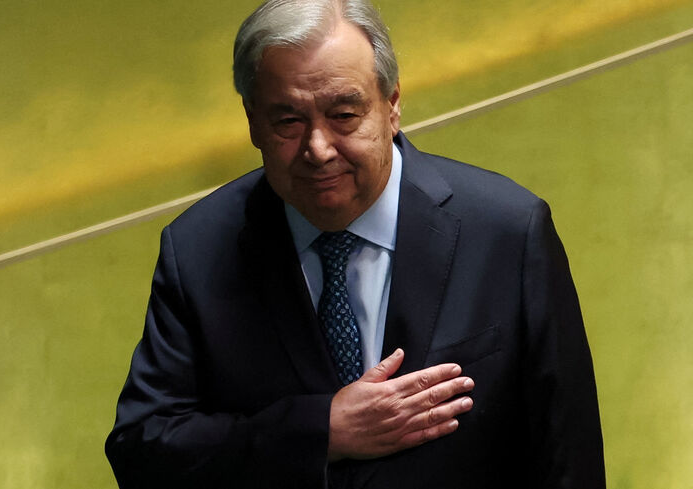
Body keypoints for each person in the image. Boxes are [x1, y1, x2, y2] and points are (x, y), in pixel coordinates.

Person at [105, 0, 605, 487]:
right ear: (253, 121)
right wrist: (319, 431)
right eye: (288, 121)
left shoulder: (507, 232)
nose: (318, 149)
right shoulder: (196, 249)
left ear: (392, 104)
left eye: (343, 114)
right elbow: (142, 449)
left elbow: (568, 454)